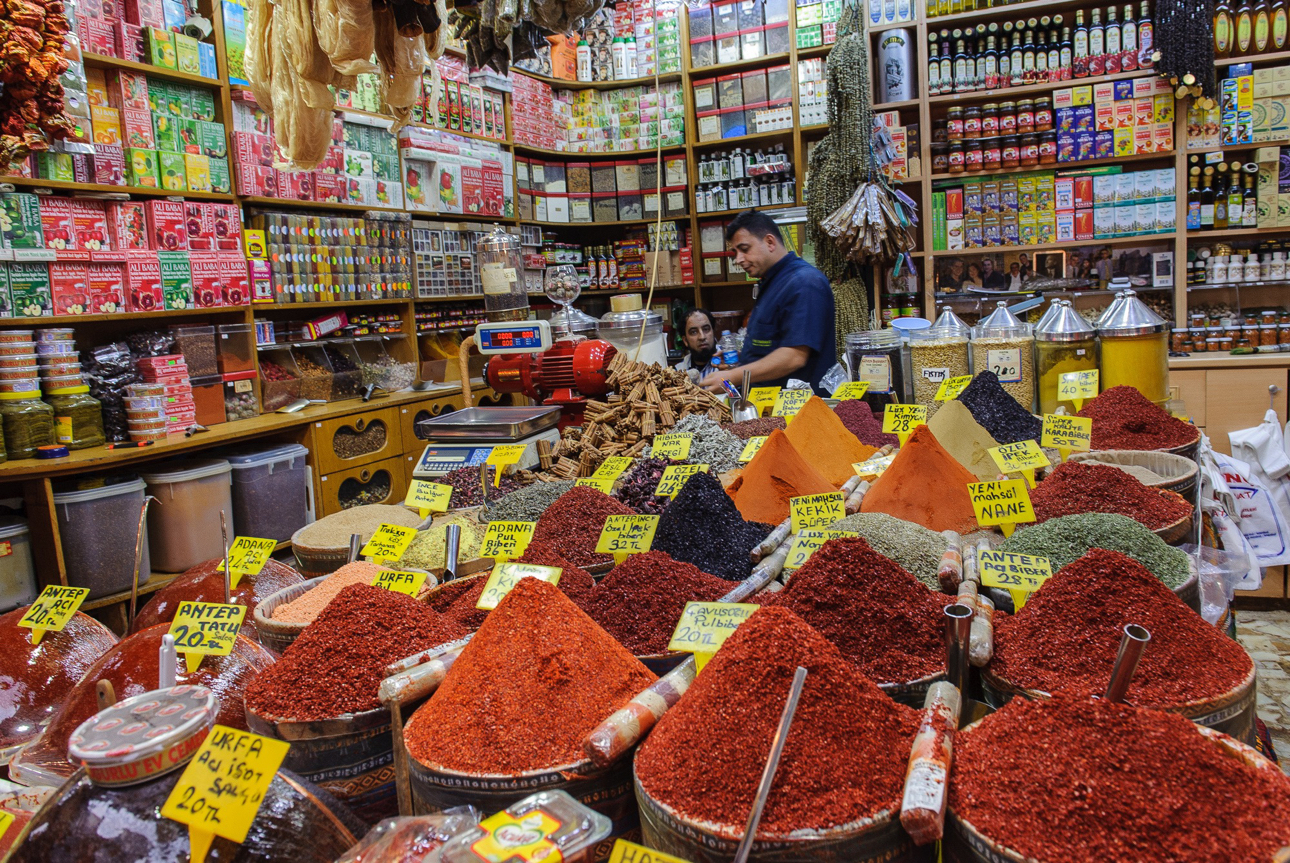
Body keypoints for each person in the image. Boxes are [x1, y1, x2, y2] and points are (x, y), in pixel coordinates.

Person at [700, 210, 836, 394]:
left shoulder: (804, 283)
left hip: (800, 411)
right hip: (770, 407)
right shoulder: (772, 282)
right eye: (735, 252)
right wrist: (743, 358)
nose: (738, 259)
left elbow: (794, 356)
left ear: (770, 242)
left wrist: (734, 376)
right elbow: (774, 344)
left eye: (745, 249)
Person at [674, 307, 719, 382]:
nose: (702, 337)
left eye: (706, 329)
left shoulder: (729, 364)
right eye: (694, 332)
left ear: (713, 332)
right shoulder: (679, 372)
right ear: (685, 340)